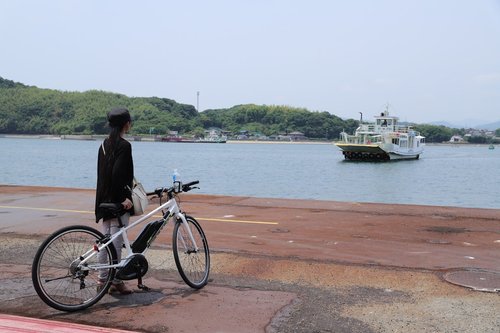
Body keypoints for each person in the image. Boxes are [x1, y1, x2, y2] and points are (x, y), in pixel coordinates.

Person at [95, 108, 134, 295]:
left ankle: (103, 280)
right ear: (126, 124)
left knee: (106, 241)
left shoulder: (103, 145)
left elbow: (102, 176)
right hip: (117, 202)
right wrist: (125, 199)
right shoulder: (124, 146)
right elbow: (119, 175)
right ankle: (115, 280)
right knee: (115, 241)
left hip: (104, 200)